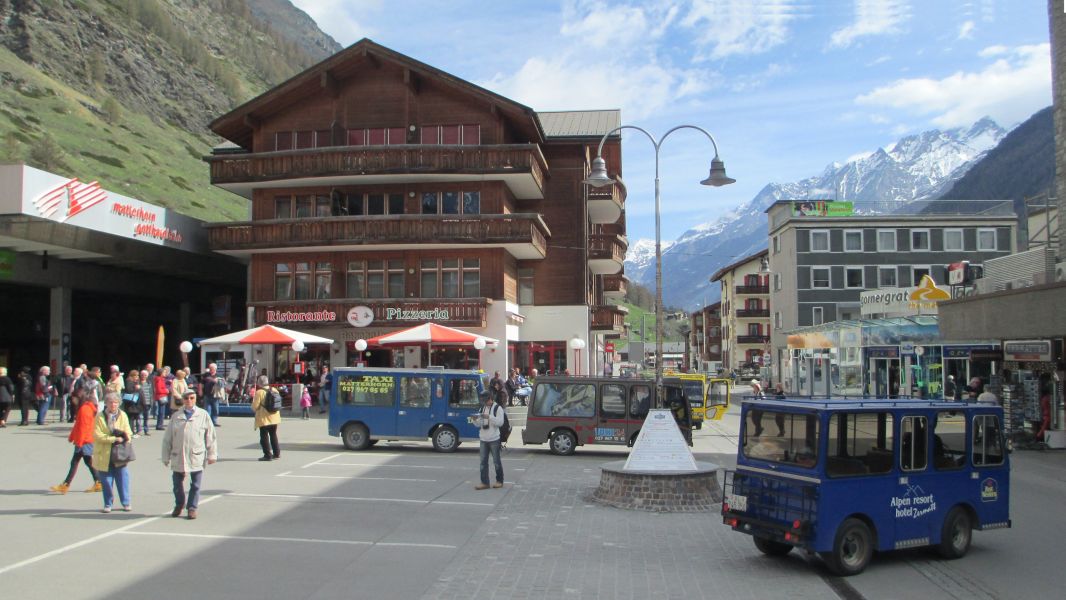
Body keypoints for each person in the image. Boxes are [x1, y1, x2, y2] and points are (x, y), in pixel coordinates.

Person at [162, 389, 217, 520]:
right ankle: (179, 503)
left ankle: (192, 508)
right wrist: (165, 456)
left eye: (192, 398)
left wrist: (212, 454)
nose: (189, 401)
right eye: (186, 398)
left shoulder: (203, 415)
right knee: (176, 483)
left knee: (196, 484)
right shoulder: (176, 416)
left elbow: (211, 436)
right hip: (178, 454)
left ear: (195, 399)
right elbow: (167, 438)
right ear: (183, 400)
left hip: (196, 454)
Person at [50, 389, 101, 493]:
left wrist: (80, 442)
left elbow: (84, 427)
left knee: (75, 462)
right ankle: (99, 482)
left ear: (78, 398)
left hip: (84, 440)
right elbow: (78, 426)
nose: (72, 400)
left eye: (73, 398)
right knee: (87, 462)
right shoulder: (85, 407)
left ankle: (66, 485)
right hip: (85, 439)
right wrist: (72, 436)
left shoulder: (84, 409)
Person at [93, 392, 133, 513]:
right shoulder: (100, 416)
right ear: (106, 403)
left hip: (120, 452)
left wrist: (124, 438)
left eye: (115, 402)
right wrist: (113, 439)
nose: (113, 405)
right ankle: (108, 503)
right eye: (110, 402)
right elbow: (97, 435)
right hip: (104, 453)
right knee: (106, 481)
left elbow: (128, 432)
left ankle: (126, 502)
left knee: (123, 479)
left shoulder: (123, 415)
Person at [474, 391, 505, 490]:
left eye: (486, 401)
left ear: (491, 399)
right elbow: (479, 424)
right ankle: (484, 482)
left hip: (494, 439)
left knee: (496, 461)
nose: (485, 403)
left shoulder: (497, 408)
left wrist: (489, 417)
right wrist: (475, 420)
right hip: (483, 438)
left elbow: (500, 423)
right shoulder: (482, 408)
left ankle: (499, 481)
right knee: (483, 462)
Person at [251, 375, 281, 461]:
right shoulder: (274, 390)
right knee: (273, 435)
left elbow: (255, 407)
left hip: (264, 418)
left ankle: (267, 455)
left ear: (259, 383)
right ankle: (277, 453)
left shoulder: (259, 392)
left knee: (264, 437)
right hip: (275, 416)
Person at [123, 369, 144, 437]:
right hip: (131, 403)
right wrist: (136, 388)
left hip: (136, 404)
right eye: (136, 375)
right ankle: (131, 431)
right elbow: (129, 390)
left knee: (136, 417)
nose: (137, 377)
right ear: (133, 375)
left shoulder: (135, 382)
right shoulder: (129, 381)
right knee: (131, 419)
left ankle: (137, 431)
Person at [201, 363, 222, 427]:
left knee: (215, 409)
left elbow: (222, 385)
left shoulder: (219, 375)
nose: (210, 369)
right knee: (207, 409)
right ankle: (208, 422)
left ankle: (214, 422)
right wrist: (200, 391)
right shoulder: (205, 375)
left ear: (215, 368)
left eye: (212, 368)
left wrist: (217, 381)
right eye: (210, 368)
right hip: (206, 394)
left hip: (215, 395)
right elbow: (201, 383)